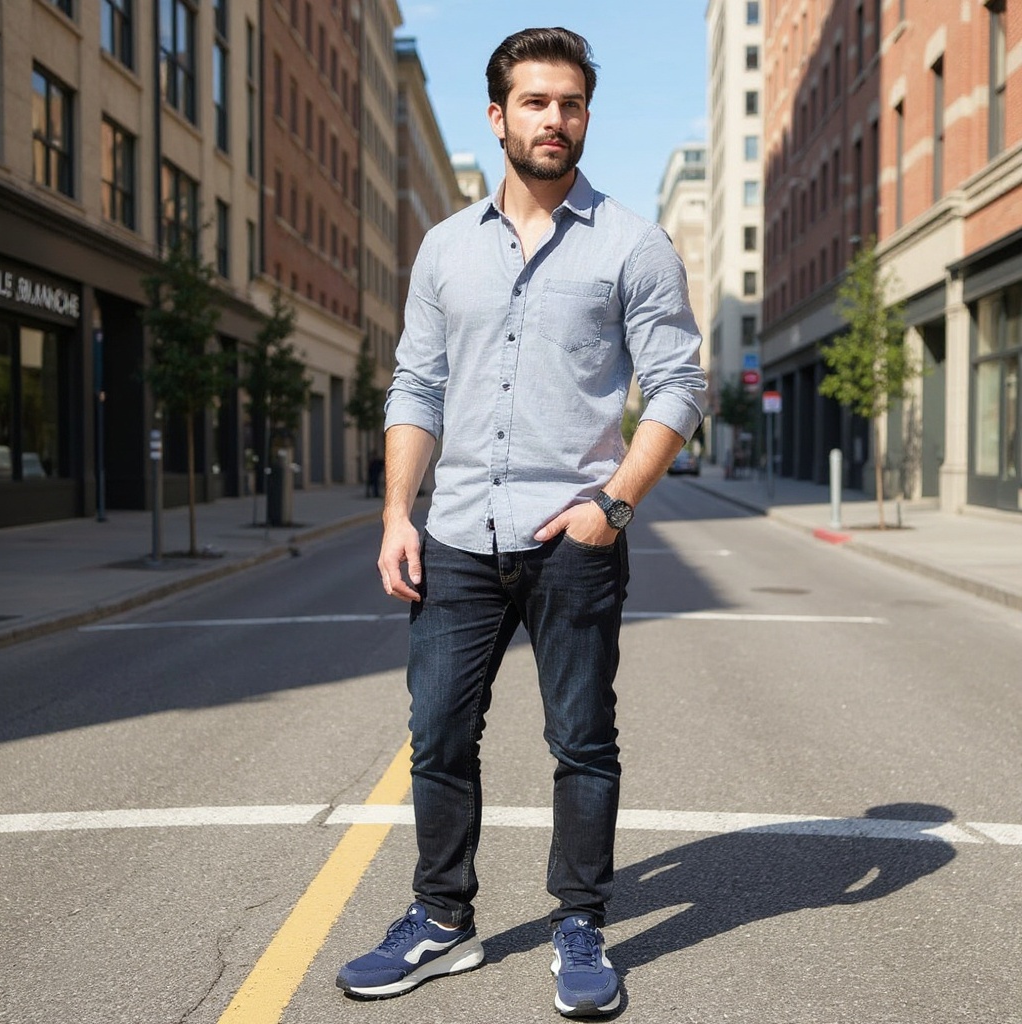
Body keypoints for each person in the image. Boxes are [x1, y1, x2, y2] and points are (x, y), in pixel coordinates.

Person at [336, 26, 706, 1018]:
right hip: (455, 535)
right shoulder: (445, 250)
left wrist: (613, 505)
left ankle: (579, 922)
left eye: (571, 103)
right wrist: (395, 516)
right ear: (496, 116)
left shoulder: (631, 243)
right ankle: (440, 920)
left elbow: (678, 384)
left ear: (586, 115)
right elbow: (416, 384)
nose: (555, 119)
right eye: (536, 102)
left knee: (582, 739)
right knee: (438, 733)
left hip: (570, 541)